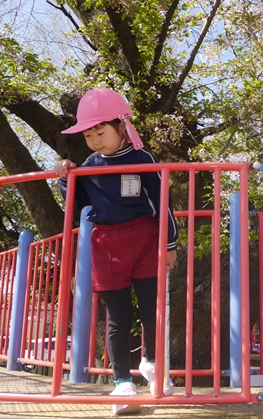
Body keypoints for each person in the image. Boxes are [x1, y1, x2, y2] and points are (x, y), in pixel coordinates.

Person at [55, 88, 178, 415]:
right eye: (88, 135)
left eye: (101, 132)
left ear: (122, 127)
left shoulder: (143, 159)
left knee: (152, 310)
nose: (95, 141)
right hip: (107, 243)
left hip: (145, 237)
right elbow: (75, 205)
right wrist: (67, 176)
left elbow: (163, 203)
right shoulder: (89, 165)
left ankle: (152, 362)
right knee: (118, 316)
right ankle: (123, 382)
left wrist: (169, 244)